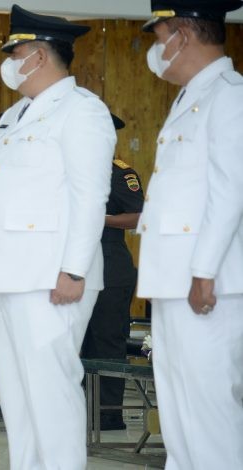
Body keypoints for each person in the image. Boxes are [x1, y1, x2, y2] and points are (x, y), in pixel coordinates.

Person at [0, 5, 115, 469]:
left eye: (15, 54)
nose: (11, 63)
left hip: (51, 277)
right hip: (8, 277)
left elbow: (90, 197)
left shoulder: (82, 111)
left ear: (38, 55)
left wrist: (73, 269)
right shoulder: (15, 115)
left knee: (51, 395)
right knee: (17, 399)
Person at [137, 1, 243, 468]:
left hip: (208, 282)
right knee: (179, 413)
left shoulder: (230, 95)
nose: (158, 50)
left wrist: (203, 271)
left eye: (161, 39)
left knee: (208, 411)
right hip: (174, 281)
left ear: (182, 35)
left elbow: (229, 190)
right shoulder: (191, 97)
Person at [81, 113, 144, 432]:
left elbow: (138, 216)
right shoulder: (75, 170)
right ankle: (84, 409)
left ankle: (108, 413)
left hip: (110, 261)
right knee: (80, 339)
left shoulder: (120, 173)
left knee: (107, 339)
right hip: (78, 263)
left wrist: (101, 219)